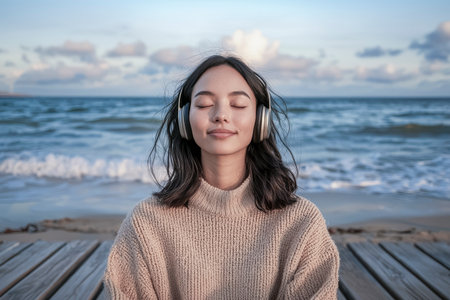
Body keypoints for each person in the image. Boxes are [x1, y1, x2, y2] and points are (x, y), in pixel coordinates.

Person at [104, 55, 340, 299]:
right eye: (205, 104)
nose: (221, 115)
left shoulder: (301, 223)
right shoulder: (145, 224)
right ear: (185, 119)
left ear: (261, 119)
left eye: (237, 104)